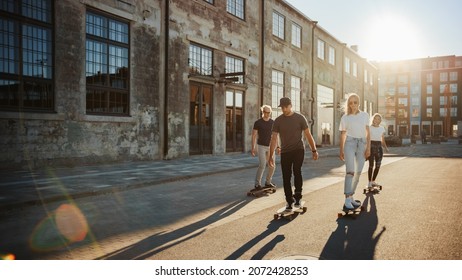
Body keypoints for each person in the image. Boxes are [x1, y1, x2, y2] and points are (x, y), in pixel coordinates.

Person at [269, 97, 319, 211]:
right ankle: (289, 201)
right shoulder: (278, 120)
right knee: (286, 177)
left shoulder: (300, 118)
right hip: (285, 152)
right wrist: (271, 155)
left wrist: (314, 150)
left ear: (291, 106)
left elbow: (308, 134)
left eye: (285, 107)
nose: (284, 109)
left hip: (298, 150)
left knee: (297, 171)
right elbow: (273, 138)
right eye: (282, 107)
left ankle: (297, 197)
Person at [339, 93, 371, 209]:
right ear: (348, 104)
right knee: (350, 171)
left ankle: (351, 196)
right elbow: (343, 134)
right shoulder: (345, 117)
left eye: (355, 102)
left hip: (362, 144)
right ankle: (347, 198)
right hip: (350, 144)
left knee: (358, 173)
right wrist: (341, 150)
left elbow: (368, 132)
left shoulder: (365, 115)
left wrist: (368, 147)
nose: (353, 105)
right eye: (350, 103)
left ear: (359, 103)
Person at [251, 105, 276, 190]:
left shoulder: (273, 122)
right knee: (262, 165)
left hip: (270, 147)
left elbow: (275, 136)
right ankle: (257, 184)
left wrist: (278, 146)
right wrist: (253, 148)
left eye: (269, 112)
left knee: (272, 165)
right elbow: (254, 135)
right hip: (261, 146)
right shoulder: (258, 122)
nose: (267, 114)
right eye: (265, 112)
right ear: (262, 112)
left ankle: (268, 182)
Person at [367, 113, 389, 189]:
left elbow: (382, 139)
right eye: (375, 118)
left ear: (380, 120)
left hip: (379, 147)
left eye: (378, 119)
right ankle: (369, 182)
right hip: (371, 146)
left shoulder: (382, 128)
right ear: (373, 119)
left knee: (378, 165)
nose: (377, 120)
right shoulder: (369, 128)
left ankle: (373, 181)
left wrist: (386, 148)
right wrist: (366, 149)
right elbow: (367, 139)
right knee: (371, 165)